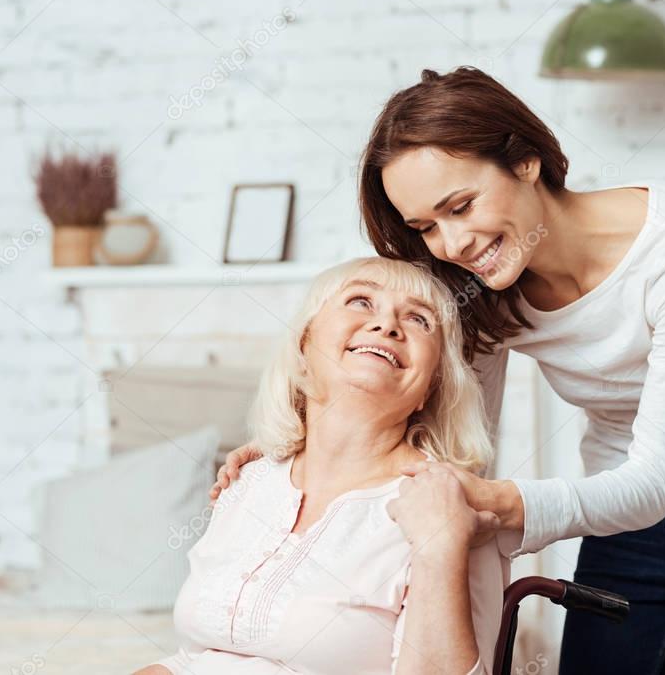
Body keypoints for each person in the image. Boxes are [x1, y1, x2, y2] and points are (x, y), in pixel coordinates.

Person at [215, 66, 665, 674]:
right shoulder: (481, 281)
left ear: (526, 160)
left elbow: (653, 484)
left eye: (459, 206)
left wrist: (496, 502)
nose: (452, 244)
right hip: (615, 506)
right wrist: (297, 459)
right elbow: (459, 447)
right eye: (425, 226)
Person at [137, 257, 510, 675]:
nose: (387, 325)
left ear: (431, 386)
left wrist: (441, 546)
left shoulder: (447, 507)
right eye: (361, 301)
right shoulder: (250, 481)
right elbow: (195, 659)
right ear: (303, 348)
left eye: (419, 319)